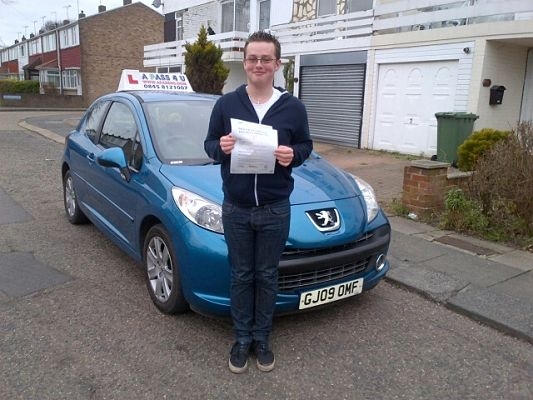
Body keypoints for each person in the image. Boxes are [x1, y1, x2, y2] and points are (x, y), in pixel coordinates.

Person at [204, 31, 313, 373]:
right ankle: (241, 339)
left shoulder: (293, 108)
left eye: (266, 59)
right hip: (236, 208)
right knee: (241, 275)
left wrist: (292, 154)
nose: (259, 65)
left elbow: (307, 146)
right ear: (245, 62)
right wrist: (218, 148)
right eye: (253, 58)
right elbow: (208, 145)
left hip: (275, 209)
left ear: (278, 64)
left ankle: (262, 338)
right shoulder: (226, 104)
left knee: (266, 275)